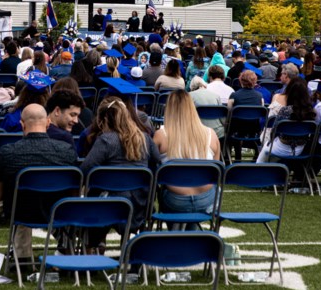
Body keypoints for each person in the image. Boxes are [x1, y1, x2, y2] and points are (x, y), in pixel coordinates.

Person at [0, 104, 77, 263]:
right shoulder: (66, 151)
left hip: (21, 211)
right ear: (48, 123)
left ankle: (23, 257)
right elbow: (73, 191)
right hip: (58, 211)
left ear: (22, 125)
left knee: (20, 199)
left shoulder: (7, 153)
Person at [81, 98, 162, 247]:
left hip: (107, 206)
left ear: (104, 119)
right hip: (140, 204)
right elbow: (158, 164)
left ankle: (93, 245)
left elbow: (85, 170)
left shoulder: (106, 140)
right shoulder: (145, 138)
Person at [153, 90, 219, 225]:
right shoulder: (211, 134)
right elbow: (216, 172)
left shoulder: (161, 135)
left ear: (169, 109)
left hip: (175, 199)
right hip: (206, 198)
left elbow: (152, 168)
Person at [258, 78, 315, 163]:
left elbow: (275, 131)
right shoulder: (311, 111)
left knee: (265, 150)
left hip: (282, 146)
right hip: (300, 148)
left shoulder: (285, 110)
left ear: (290, 92)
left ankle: (258, 170)